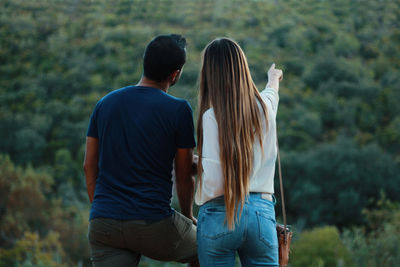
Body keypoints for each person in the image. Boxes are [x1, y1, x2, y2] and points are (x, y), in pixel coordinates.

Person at [83, 34, 199, 267]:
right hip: (153, 223)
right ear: (175, 74)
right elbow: (184, 175)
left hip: (103, 224)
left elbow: (89, 166)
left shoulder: (105, 103)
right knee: (211, 245)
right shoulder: (178, 110)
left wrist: (104, 209)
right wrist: (188, 216)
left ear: (145, 62)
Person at [195, 38, 283, 266]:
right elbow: (271, 95)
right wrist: (273, 78)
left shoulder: (211, 117)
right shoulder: (265, 109)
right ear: (242, 69)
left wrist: (198, 166)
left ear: (210, 75)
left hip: (220, 215)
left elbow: (215, 182)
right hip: (261, 216)